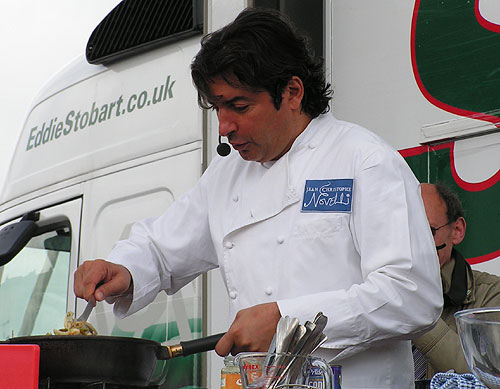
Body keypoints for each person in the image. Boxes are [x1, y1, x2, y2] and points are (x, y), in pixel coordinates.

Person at [74, 8, 442, 388]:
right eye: (218, 107)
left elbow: (412, 294)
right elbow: (162, 247)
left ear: (293, 92)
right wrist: (124, 268)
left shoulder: (363, 160)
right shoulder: (226, 174)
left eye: (239, 106)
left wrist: (287, 321)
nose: (225, 127)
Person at [413, 183, 500, 379]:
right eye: (404, 234)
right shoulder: (375, 290)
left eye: (427, 231)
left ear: (457, 230)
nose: (413, 244)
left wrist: (414, 309)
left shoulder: (491, 294)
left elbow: (490, 377)